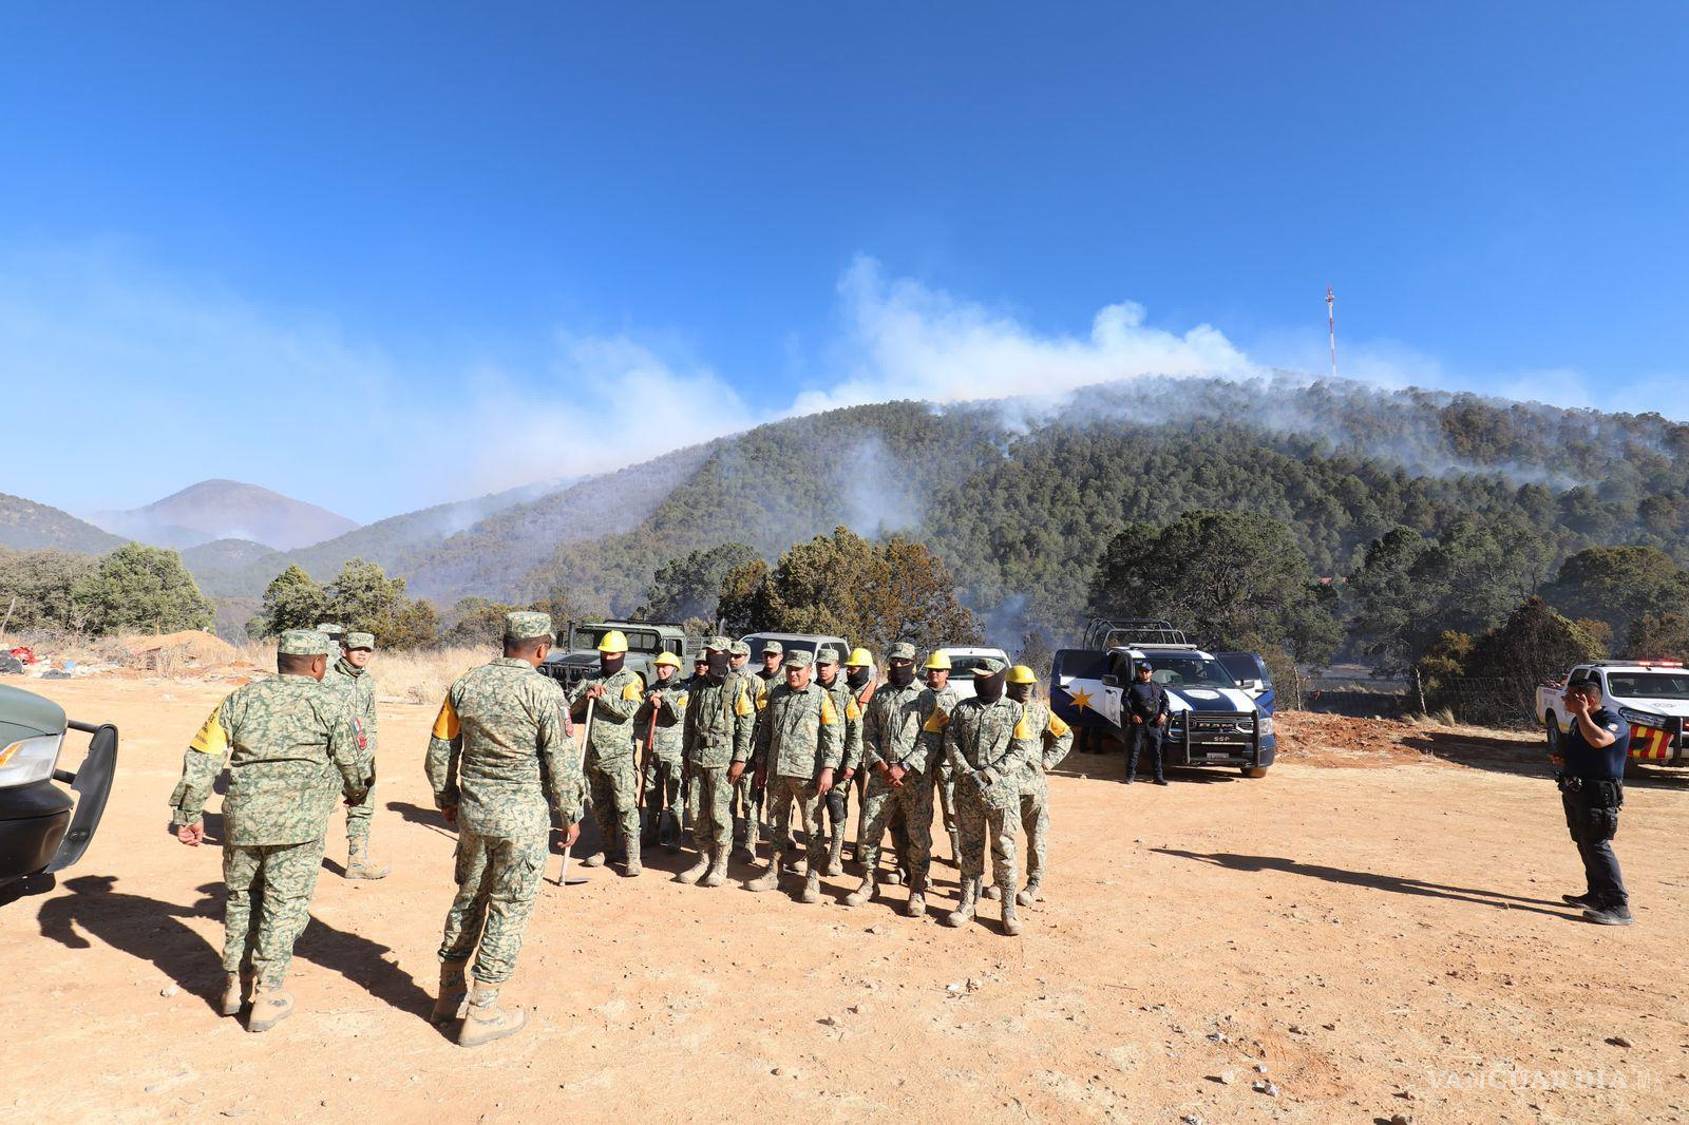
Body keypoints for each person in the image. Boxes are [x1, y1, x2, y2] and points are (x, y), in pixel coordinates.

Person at [168, 630, 372, 1033]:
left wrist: (188, 812)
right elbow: (355, 763)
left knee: (242, 899)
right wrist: (355, 793)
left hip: (243, 821)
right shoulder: (332, 703)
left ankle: (233, 984)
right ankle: (268, 992)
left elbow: (204, 755)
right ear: (318, 664)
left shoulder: (240, 699)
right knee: (285, 904)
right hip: (299, 825)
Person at [425, 612, 582, 1046]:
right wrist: (570, 814)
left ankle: (447, 995)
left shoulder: (466, 684)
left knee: (468, 899)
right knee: (508, 909)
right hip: (522, 821)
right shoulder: (544, 690)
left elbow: (440, 749)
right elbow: (562, 763)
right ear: (541, 649)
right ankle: (483, 1011)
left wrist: (447, 798)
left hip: (475, 816)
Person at [846, 642, 945, 915]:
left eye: (903, 662)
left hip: (914, 780)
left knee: (918, 835)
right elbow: (869, 733)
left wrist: (905, 766)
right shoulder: (880, 695)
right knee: (869, 830)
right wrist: (879, 765)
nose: (897, 666)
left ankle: (917, 890)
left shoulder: (926, 698)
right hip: (881, 777)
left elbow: (931, 739)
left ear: (914, 663)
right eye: (894, 661)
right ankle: (868, 882)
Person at [941, 658, 1031, 936]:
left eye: (985, 676)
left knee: (1004, 851)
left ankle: (1008, 910)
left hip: (1001, 795)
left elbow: (1021, 750)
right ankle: (967, 903)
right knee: (970, 850)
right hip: (967, 793)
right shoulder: (962, 709)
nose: (979, 681)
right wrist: (967, 772)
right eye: (976, 677)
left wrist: (991, 773)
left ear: (999, 677)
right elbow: (950, 743)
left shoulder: (1016, 711)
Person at [745, 649, 841, 903]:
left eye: (798, 669)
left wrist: (828, 769)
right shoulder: (776, 693)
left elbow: (833, 735)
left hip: (807, 774)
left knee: (812, 826)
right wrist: (762, 764)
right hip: (777, 771)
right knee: (776, 823)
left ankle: (812, 877)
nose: (793, 673)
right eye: (789, 669)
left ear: (809, 671)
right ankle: (772, 871)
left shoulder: (821, 697)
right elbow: (765, 732)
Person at [985, 665, 1073, 907]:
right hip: (1005, 788)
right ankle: (1000, 881)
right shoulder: (998, 711)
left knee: (1036, 839)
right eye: (1020, 686)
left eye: (1029, 685)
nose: (1026, 689)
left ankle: (1033, 882)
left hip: (1034, 788)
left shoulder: (1040, 712)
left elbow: (1065, 735)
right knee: (1003, 838)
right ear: (1009, 686)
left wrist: (1048, 761)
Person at [1552, 680, 1634, 925]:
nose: (1564, 700)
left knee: (1597, 845)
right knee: (1583, 841)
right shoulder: (1579, 720)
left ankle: (1618, 905)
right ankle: (1596, 894)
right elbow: (1587, 749)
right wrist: (1564, 759)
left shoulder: (1613, 720)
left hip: (1599, 793)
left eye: (1569, 696)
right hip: (1577, 790)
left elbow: (1600, 741)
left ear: (1586, 698)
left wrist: (1583, 713)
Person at [677, 638, 756, 887]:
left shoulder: (737, 685)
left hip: (723, 759)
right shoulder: (698, 686)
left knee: (720, 812)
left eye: (719, 654)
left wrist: (740, 758)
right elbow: (689, 724)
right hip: (697, 757)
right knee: (697, 812)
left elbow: (747, 723)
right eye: (710, 653)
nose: (714, 658)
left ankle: (720, 864)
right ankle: (702, 859)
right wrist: (686, 756)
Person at [566, 629, 645, 876]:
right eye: (604, 654)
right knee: (599, 806)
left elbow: (628, 710)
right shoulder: (592, 678)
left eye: (612, 654)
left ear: (622, 655)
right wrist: (586, 695)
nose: (608, 658)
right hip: (593, 754)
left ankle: (633, 857)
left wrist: (604, 698)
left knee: (624, 806)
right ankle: (609, 849)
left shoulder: (632, 680)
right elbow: (571, 704)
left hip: (619, 755)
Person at [325, 631, 388, 880]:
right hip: (330, 758)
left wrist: (369, 751)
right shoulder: (327, 678)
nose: (362, 653)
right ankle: (303, 860)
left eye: (367, 650)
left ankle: (357, 861)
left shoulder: (367, 681)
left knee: (361, 807)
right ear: (343, 651)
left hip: (361, 756)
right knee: (321, 808)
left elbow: (369, 719)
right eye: (357, 649)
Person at [814, 646, 865, 875]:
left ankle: (835, 856)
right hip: (811, 760)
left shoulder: (846, 694)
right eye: (819, 665)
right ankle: (814, 852)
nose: (822, 669)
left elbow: (856, 731)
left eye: (827, 665)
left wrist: (851, 762)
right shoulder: (811, 690)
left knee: (836, 805)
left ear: (837, 667)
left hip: (838, 760)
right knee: (813, 809)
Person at [635, 652, 689, 852]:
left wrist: (664, 700)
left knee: (674, 796)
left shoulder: (683, 691)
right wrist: (649, 703)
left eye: (665, 667)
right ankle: (652, 833)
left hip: (673, 753)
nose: (661, 670)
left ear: (675, 669)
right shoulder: (651, 690)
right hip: (651, 750)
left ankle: (676, 837)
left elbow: (679, 715)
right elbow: (639, 717)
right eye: (659, 667)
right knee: (651, 794)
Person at [921, 650, 962, 862]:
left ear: (947, 673)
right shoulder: (919, 695)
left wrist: (949, 725)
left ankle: (958, 854)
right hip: (923, 763)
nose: (934, 674)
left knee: (951, 809)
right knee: (923, 810)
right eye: (931, 670)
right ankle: (922, 852)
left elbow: (961, 732)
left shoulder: (956, 699)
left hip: (946, 763)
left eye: (938, 671)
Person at [729, 639, 767, 857]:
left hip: (749, 751)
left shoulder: (755, 682)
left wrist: (756, 751)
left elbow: (762, 717)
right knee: (729, 798)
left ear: (746, 657)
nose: (734, 660)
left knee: (748, 799)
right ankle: (730, 838)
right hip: (726, 748)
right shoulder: (725, 680)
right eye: (731, 656)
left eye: (738, 656)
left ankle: (750, 841)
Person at [1124, 660, 1169, 785]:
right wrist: (1132, 714)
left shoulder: (1156, 686)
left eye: (1146, 672)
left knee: (1155, 751)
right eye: (1141, 672)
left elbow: (1165, 700)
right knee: (1134, 750)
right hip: (1138, 723)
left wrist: (1164, 714)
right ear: (1138, 672)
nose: (1144, 674)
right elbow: (1125, 700)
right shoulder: (1132, 685)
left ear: (1151, 673)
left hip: (1154, 723)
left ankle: (1158, 777)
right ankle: (1130, 776)